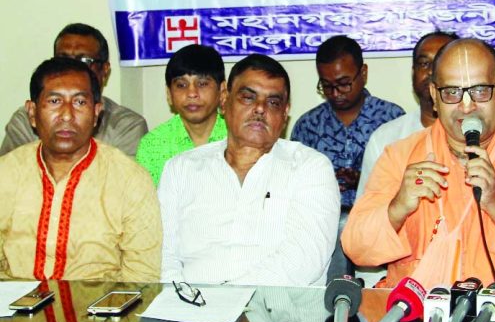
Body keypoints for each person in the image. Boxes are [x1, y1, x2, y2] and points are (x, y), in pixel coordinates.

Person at [342, 38, 495, 291]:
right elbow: (356, 249)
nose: (467, 106)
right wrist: (397, 208)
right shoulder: (400, 156)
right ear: (434, 96)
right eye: (452, 92)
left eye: (479, 90)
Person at [158, 54, 339, 287]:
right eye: (248, 97)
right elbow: (163, 255)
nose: (260, 109)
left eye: (273, 102)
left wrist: (228, 301)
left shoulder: (310, 167)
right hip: (189, 314)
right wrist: (181, 304)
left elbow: (304, 259)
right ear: (224, 101)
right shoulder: (181, 169)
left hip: (280, 315)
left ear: (285, 113)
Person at [0, 57, 161, 281]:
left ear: (96, 113)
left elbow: (142, 278)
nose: (67, 115)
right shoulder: (6, 173)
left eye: (79, 103)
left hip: (98, 312)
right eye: (55, 101)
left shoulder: (129, 180)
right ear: (32, 112)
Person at [291, 35, 404, 280]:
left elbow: (406, 181)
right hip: (322, 236)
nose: (335, 93)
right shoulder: (307, 125)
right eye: (326, 85)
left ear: (363, 73)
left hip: (378, 232)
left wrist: (364, 181)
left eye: (343, 83)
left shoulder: (392, 118)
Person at [0, 23, 148, 157]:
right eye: (62, 59)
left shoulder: (126, 125)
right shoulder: (26, 119)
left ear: (105, 70)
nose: (72, 69)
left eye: (84, 61)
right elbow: (11, 178)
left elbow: (122, 183)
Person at [357, 31, 458, 196]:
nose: (432, 72)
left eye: (441, 62)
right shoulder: (384, 139)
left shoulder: (480, 136)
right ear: (413, 73)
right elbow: (366, 215)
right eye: (424, 64)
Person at [136, 44, 227, 186]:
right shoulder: (153, 145)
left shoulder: (238, 136)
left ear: (222, 91)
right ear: (169, 94)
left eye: (202, 84)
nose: (191, 93)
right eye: (181, 85)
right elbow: (147, 205)